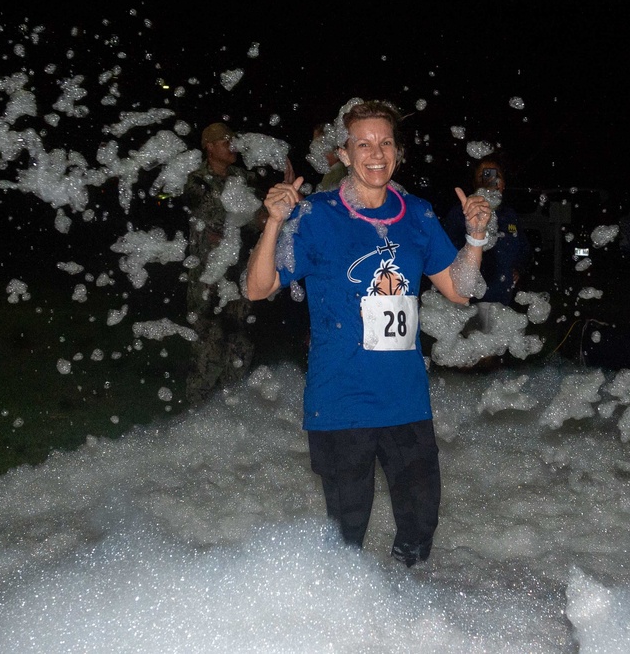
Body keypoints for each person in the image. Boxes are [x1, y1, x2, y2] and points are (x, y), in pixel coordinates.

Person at [245, 100, 490, 566]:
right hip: (340, 401)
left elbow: (460, 292)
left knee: (420, 524)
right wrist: (276, 221)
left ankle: (400, 613)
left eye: (385, 142)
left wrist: (475, 238)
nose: (375, 153)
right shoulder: (315, 214)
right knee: (347, 534)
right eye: (363, 143)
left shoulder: (417, 214)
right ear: (343, 153)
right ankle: (345, 625)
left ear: (397, 151)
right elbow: (259, 289)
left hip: (406, 400)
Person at [182, 122, 264, 407]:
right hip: (208, 277)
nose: (232, 146)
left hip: (238, 275)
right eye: (225, 141)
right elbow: (221, 215)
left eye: (233, 140)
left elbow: (258, 218)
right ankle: (197, 413)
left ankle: (232, 410)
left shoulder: (243, 177)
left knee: (240, 344)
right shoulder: (197, 181)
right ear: (209, 146)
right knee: (208, 346)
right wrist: (255, 214)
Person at [443, 154, 531, 329]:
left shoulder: (510, 216)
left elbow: (524, 249)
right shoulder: (461, 214)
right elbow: (445, 253)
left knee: (499, 353)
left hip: (503, 301)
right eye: (485, 175)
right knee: (476, 353)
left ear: (503, 184)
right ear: (476, 184)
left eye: (496, 175)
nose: (491, 179)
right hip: (470, 302)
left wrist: (519, 269)